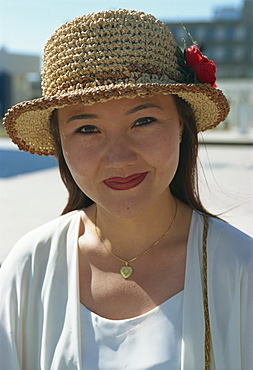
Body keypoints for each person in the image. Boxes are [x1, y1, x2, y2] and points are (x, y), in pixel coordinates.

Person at [0, 9, 252, 370]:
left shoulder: (242, 269)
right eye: (87, 128)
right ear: (60, 142)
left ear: (182, 125)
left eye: (144, 120)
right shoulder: (28, 268)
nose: (118, 158)